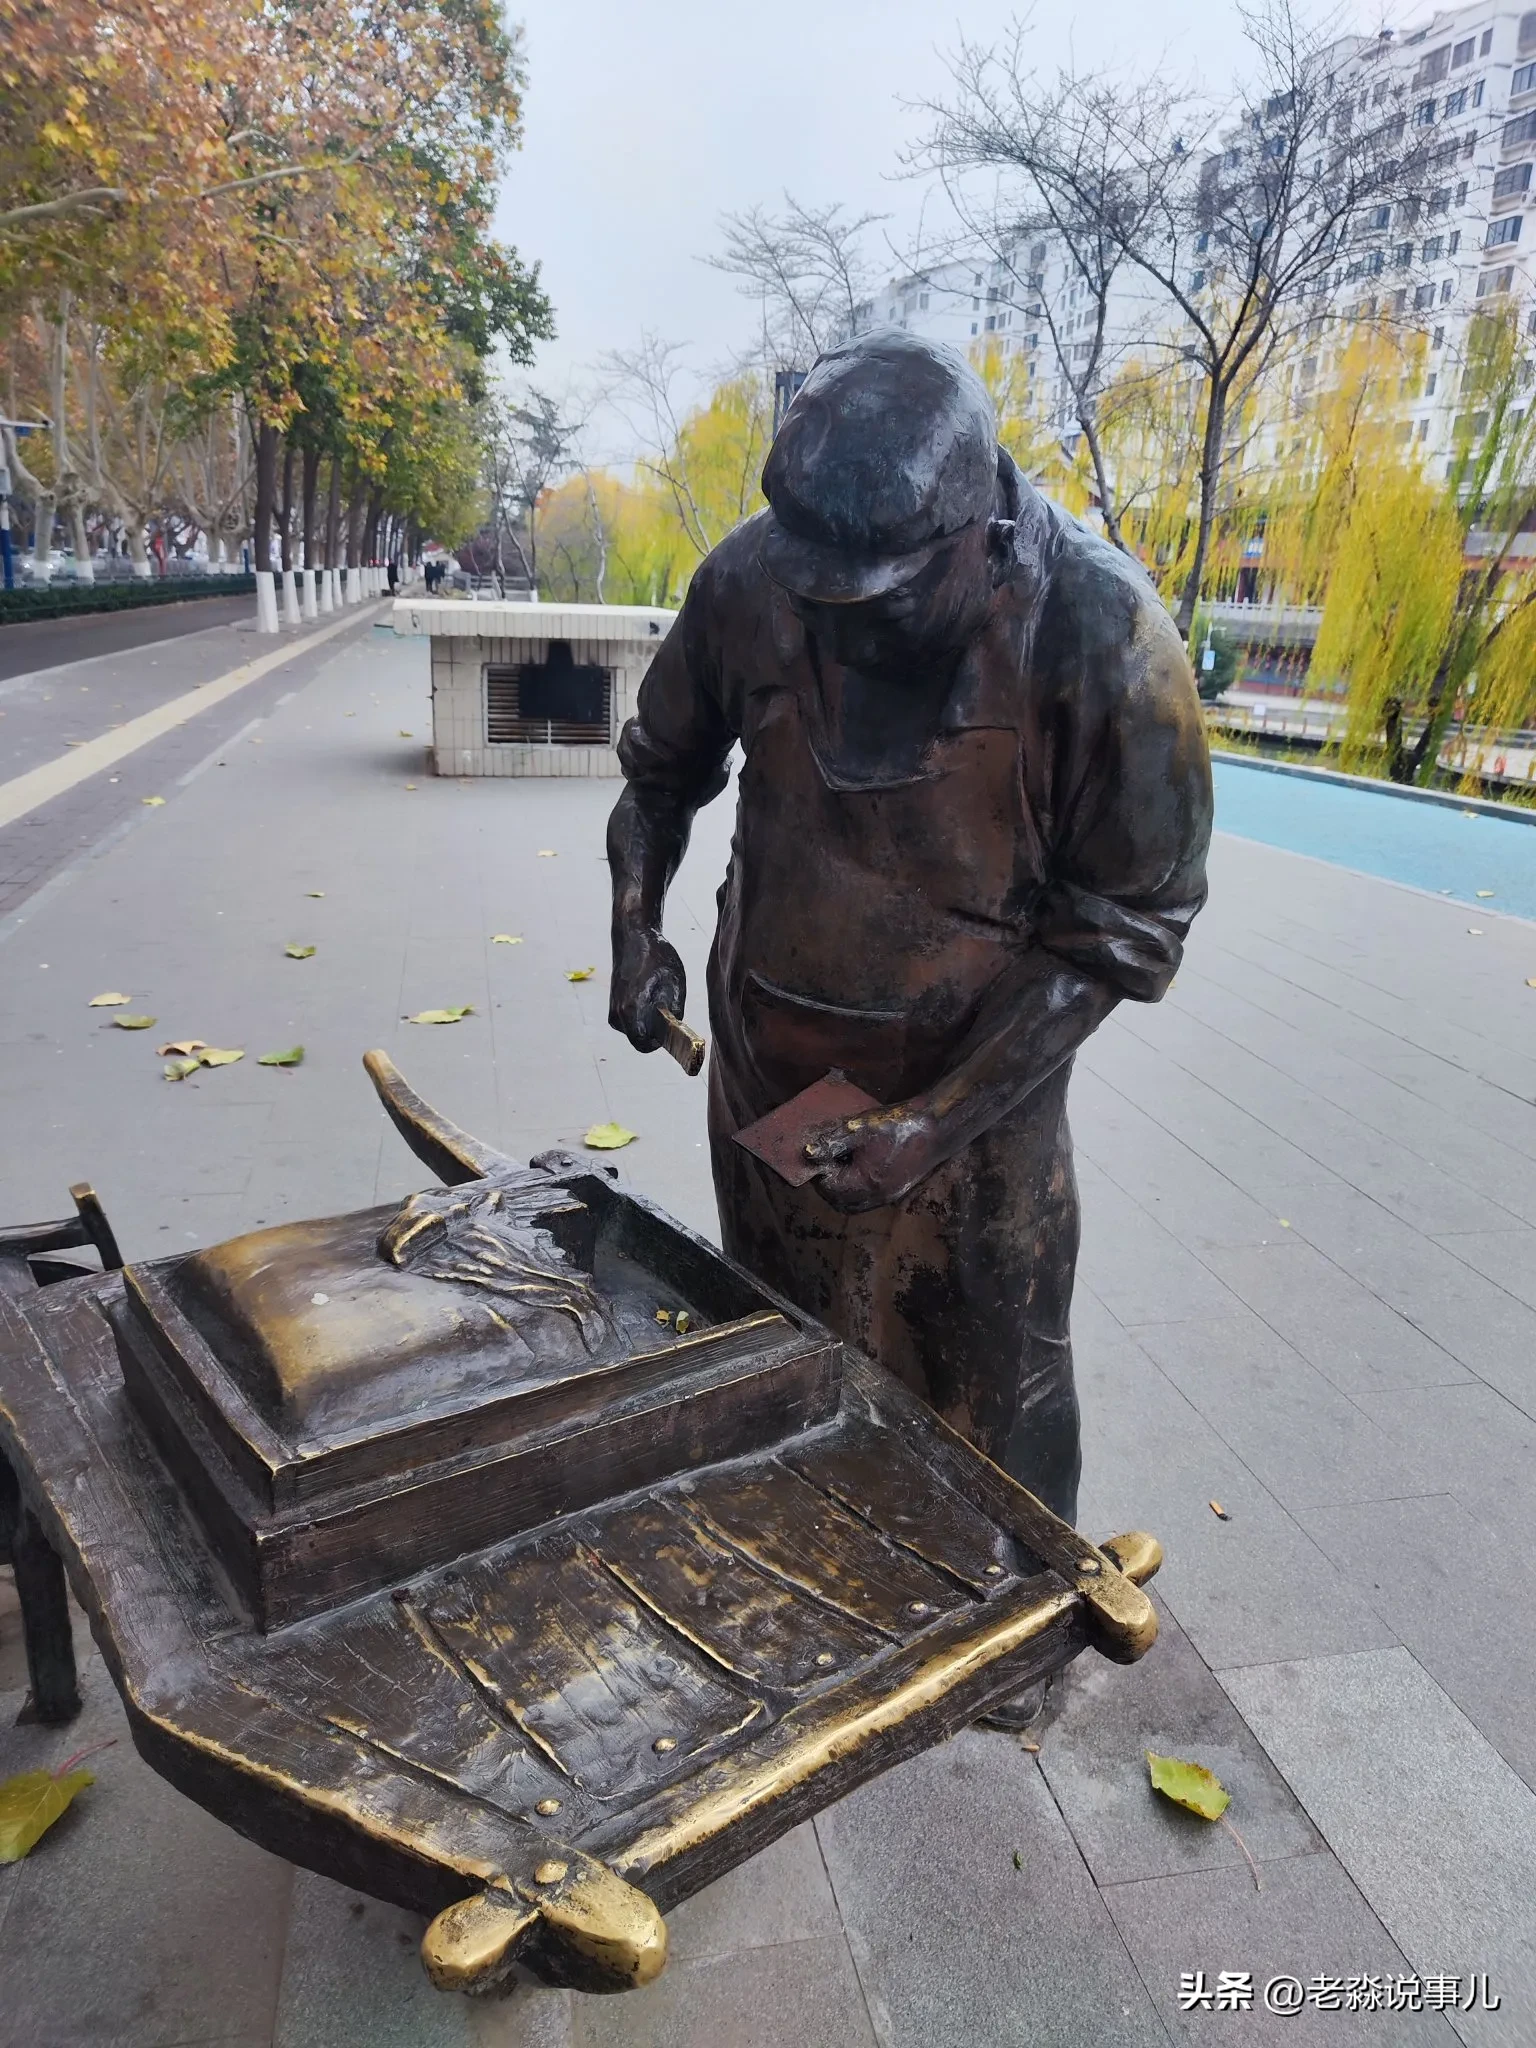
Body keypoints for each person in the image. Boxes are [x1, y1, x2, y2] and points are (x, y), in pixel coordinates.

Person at [607, 329, 1210, 1567]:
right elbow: (658, 777)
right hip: (767, 1074)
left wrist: (936, 1119)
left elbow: (1120, 936)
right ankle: (816, 1570)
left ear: (981, 536)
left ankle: (1015, 1628)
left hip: (980, 1102)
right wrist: (635, 928)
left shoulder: (1104, 641)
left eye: (876, 604)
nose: (838, 635)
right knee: (781, 1335)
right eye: (815, 600)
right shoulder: (747, 584)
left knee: (994, 1370)